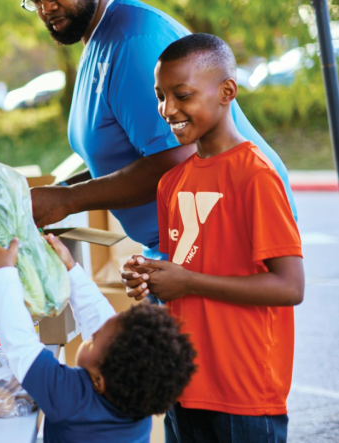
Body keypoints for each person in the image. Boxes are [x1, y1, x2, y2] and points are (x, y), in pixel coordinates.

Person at [21, 0, 297, 271]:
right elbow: (120, 160)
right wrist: (61, 191)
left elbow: (177, 158)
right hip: (175, 250)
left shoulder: (134, 38)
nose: (46, 7)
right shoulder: (97, 40)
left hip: (216, 243)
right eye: (33, 0)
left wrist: (67, 200)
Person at [122, 34, 304, 442]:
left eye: (182, 95)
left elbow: (290, 286)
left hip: (242, 395)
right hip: (184, 387)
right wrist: (148, 275)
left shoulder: (256, 176)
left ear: (227, 92)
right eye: (160, 96)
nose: (167, 110)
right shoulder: (171, 182)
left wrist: (186, 282)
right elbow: (181, 272)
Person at [0, 232, 196, 443]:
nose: (93, 332)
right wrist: (70, 269)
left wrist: (0, 274)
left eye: (93, 339)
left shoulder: (72, 398)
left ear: (98, 381)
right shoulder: (138, 401)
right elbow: (101, 321)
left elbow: (20, 344)